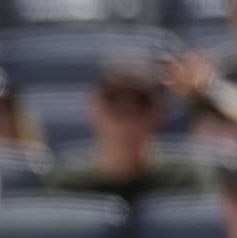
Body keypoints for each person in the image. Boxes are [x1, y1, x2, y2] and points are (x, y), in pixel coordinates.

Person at [45, 60, 218, 201]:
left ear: (159, 114)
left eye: (140, 102)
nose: (127, 115)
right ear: (93, 111)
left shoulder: (186, 180)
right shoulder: (68, 184)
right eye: (113, 102)